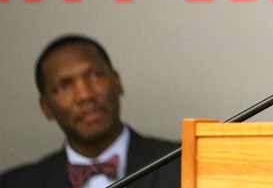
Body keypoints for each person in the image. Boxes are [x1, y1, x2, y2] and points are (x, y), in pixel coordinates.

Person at [0, 34, 180, 188]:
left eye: (95, 76)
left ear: (118, 82)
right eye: (64, 86)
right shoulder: (17, 183)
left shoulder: (183, 162)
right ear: (46, 107)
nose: (85, 95)